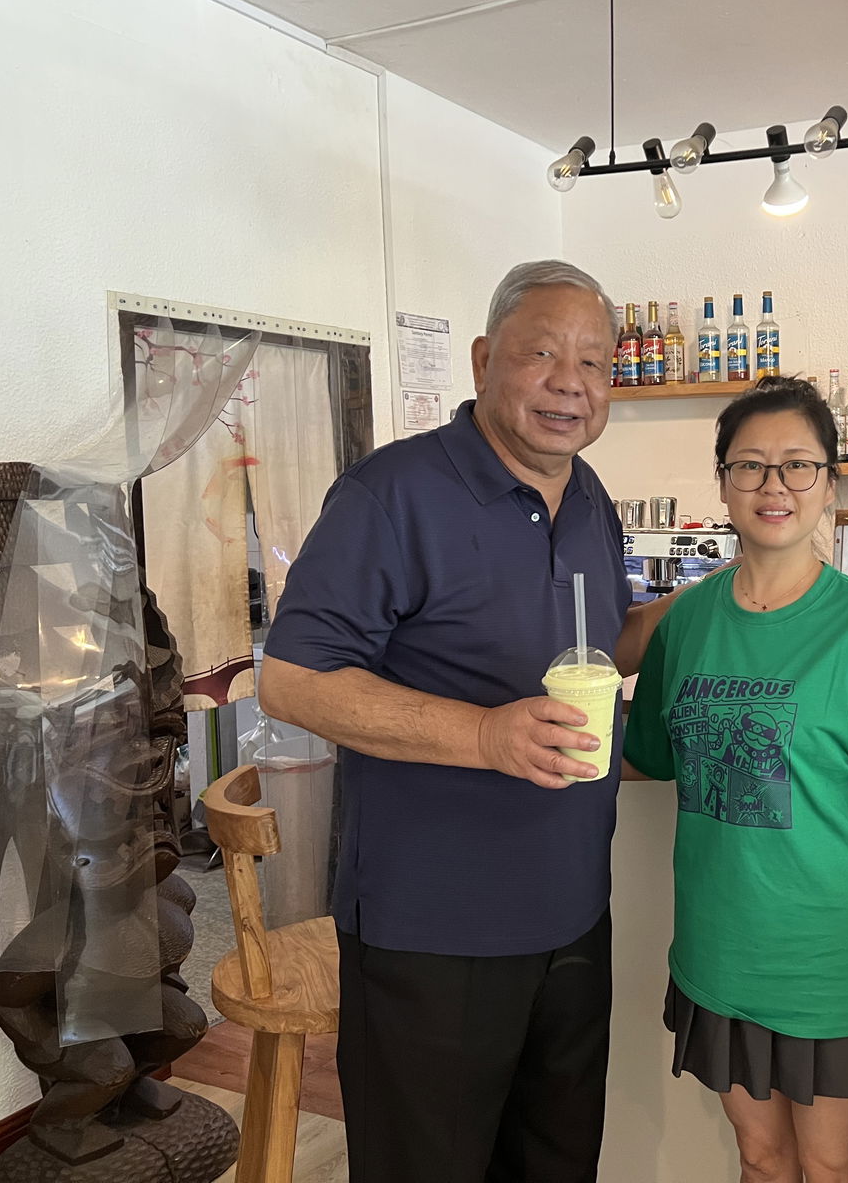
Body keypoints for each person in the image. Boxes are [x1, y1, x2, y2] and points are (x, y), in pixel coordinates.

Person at [258, 260, 674, 1182]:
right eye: (542, 354)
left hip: (571, 917)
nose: (571, 382)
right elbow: (291, 679)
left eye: (596, 364)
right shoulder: (392, 495)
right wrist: (484, 736)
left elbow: (602, 647)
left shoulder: (591, 497)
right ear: (485, 361)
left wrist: (717, 600)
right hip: (432, 930)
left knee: (555, 1163)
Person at [622, 377, 848, 1183]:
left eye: (797, 466)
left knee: (833, 1169)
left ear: (829, 483)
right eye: (749, 465)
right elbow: (650, 757)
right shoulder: (689, 621)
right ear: (722, 482)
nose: (773, 486)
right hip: (718, 952)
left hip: (830, 963)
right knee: (762, 1159)